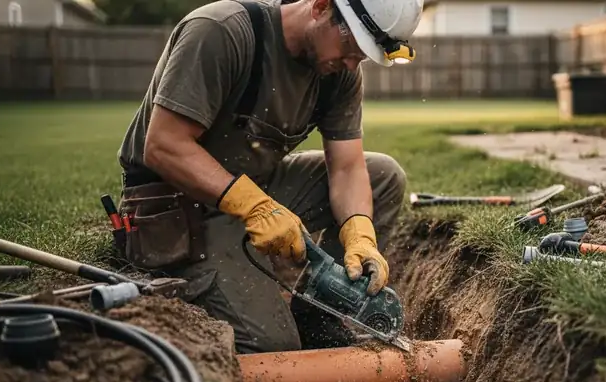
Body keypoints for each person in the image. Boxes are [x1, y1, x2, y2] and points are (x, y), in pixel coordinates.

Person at [114, 0, 424, 354]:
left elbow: (348, 167)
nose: (354, 63)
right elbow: (164, 146)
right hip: (181, 205)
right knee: (273, 347)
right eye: (352, 46)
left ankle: (317, 315)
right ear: (321, 7)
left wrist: (359, 233)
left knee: (383, 175)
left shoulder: (339, 71)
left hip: (255, 185)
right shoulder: (221, 32)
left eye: (364, 56)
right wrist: (254, 207)